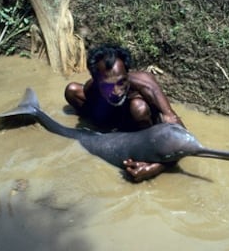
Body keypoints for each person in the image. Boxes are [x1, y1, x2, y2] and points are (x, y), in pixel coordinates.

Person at [65, 43, 185, 182]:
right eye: (108, 85)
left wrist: (155, 168)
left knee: (138, 108)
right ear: (95, 80)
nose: (116, 91)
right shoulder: (91, 88)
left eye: (121, 82)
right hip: (114, 121)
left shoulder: (146, 85)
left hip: (143, 126)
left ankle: (148, 153)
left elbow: (182, 138)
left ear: (127, 74)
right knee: (72, 90)